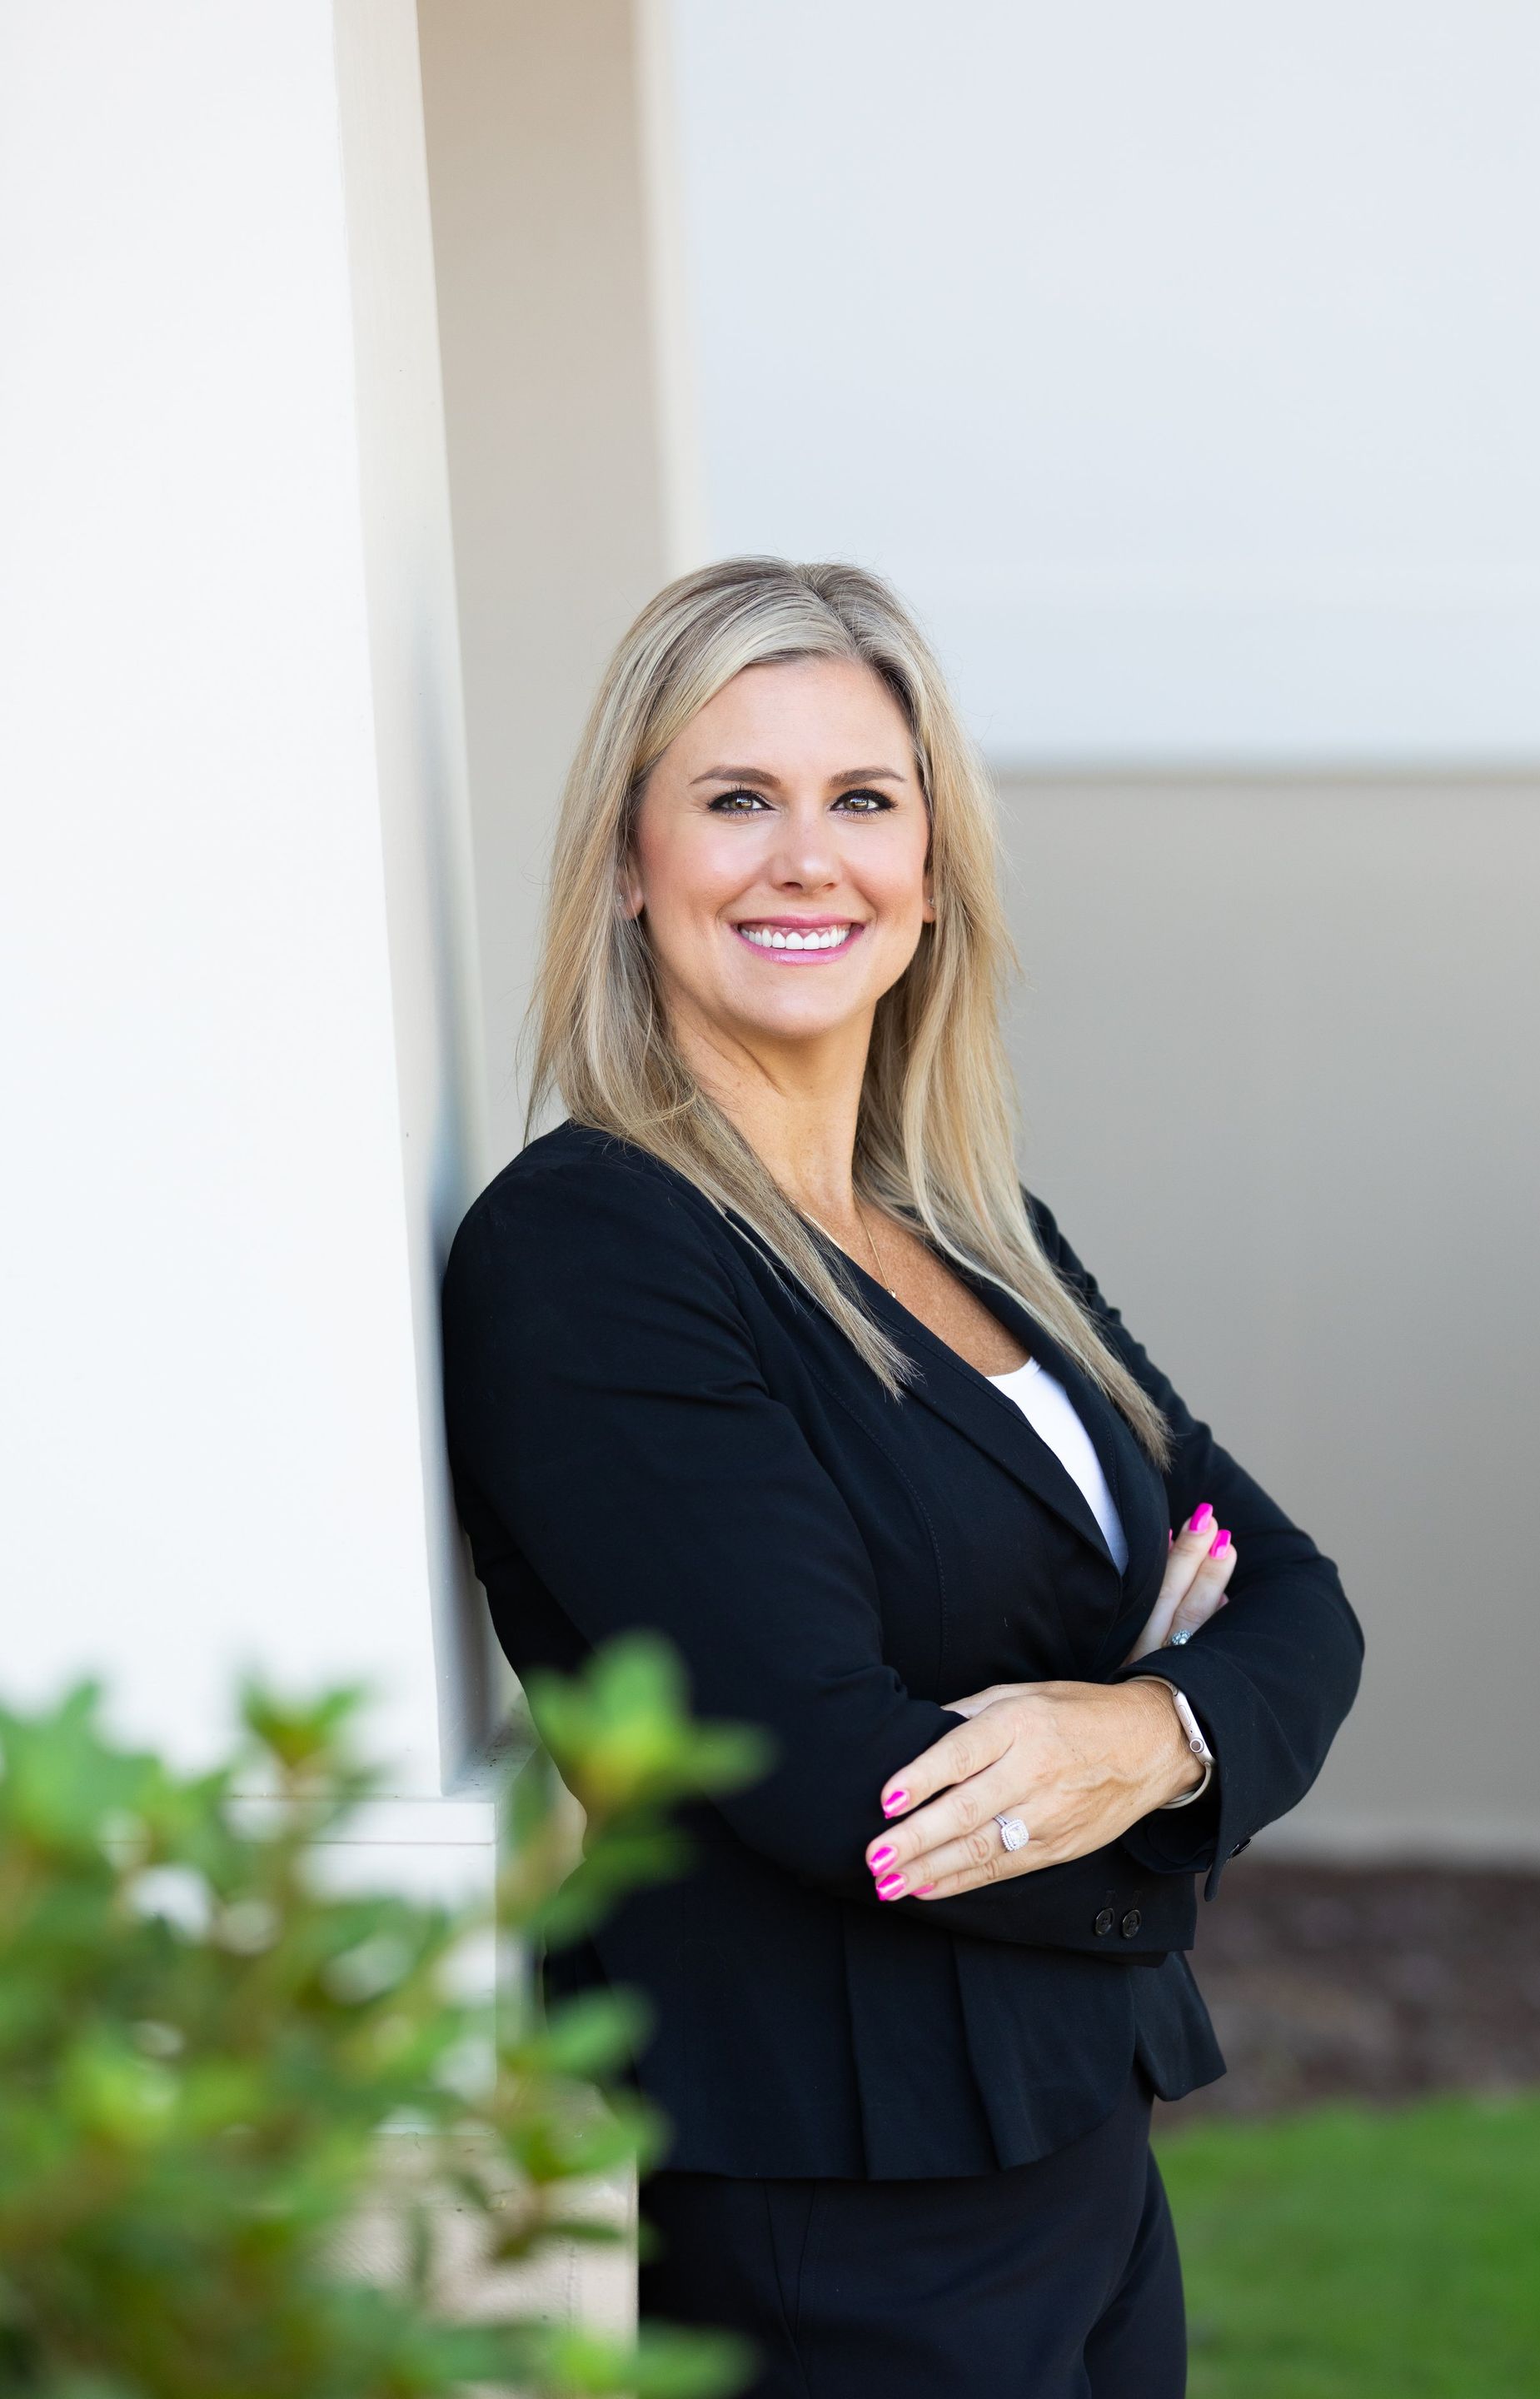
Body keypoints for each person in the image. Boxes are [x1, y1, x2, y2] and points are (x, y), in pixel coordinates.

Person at [440, 556, 1363, 2397]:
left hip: (1075, 2134)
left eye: (863, 800)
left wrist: (1153, 1736)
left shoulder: (973, 1227)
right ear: (629, 864)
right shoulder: (597, 1250)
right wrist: (1166, 1749)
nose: (808, 860)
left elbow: (1293, 1595)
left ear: (932, 875)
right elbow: (832, 1774)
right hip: (837, 2190)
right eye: (736, 800)